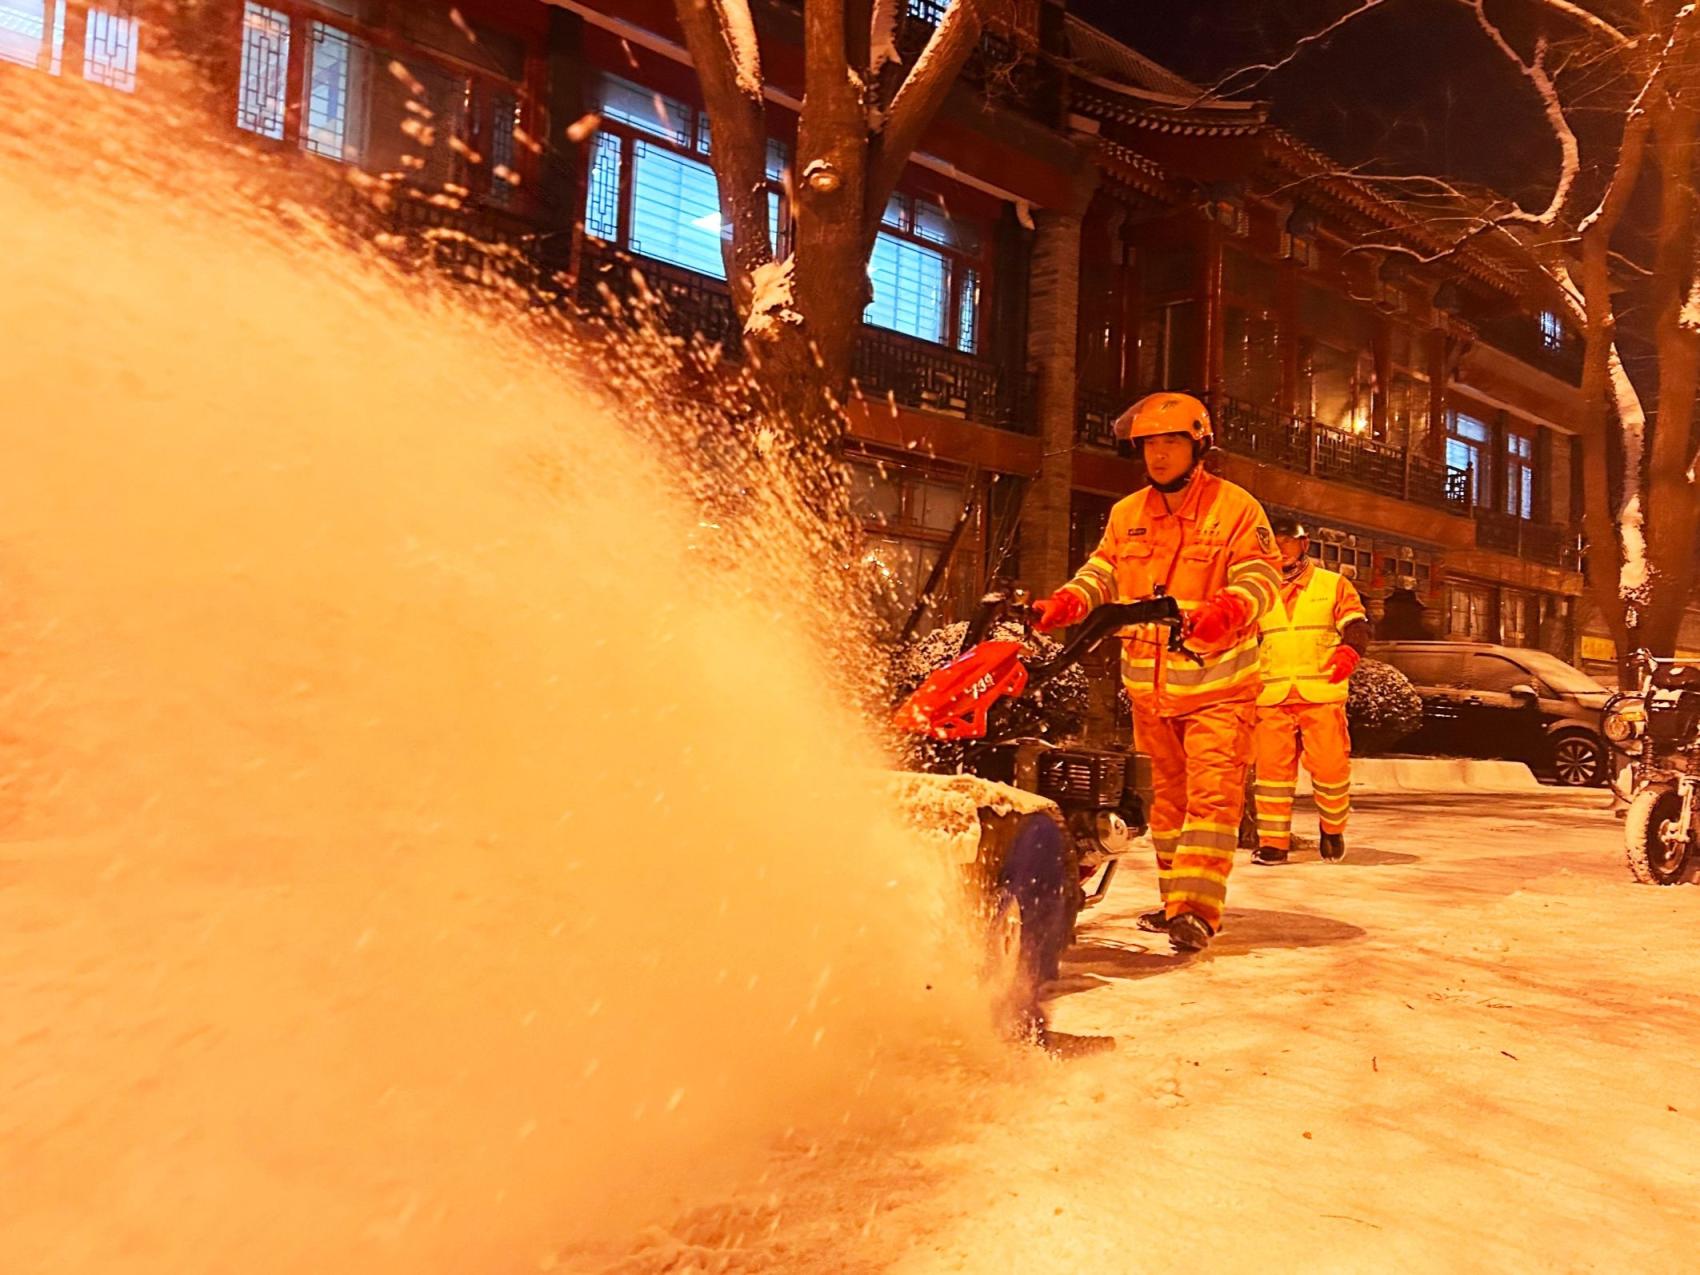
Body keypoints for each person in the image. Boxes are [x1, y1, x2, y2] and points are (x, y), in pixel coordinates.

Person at [1032, 392, 1281, 953]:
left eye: (1171, 442)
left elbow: (1261, 576)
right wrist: (1067, 603)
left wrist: (1228, 609)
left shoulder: (1236, 509)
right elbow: (1103, 571)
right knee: (1166, 805)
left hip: (1220, 687)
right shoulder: (1128, 514)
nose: (1159, 455)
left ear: (1199, 446)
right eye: (1150, 445)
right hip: (1149, 691)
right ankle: (1175, 905)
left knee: (1211, 801)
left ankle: (1197, 911)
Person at [1249, 516, 1370, 864]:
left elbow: (1356, 624)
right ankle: (1273, 843)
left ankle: (1332, 829)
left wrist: (1350, 651)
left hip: (1321, 693)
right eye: (1274, 543)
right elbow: (1244, 639)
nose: (1281, 549)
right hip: (1272, 696)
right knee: (1271, 775)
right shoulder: (1259, 591)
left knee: (1330, 769)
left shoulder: (1333, 585)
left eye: (1287, 541)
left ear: (1303, 545)